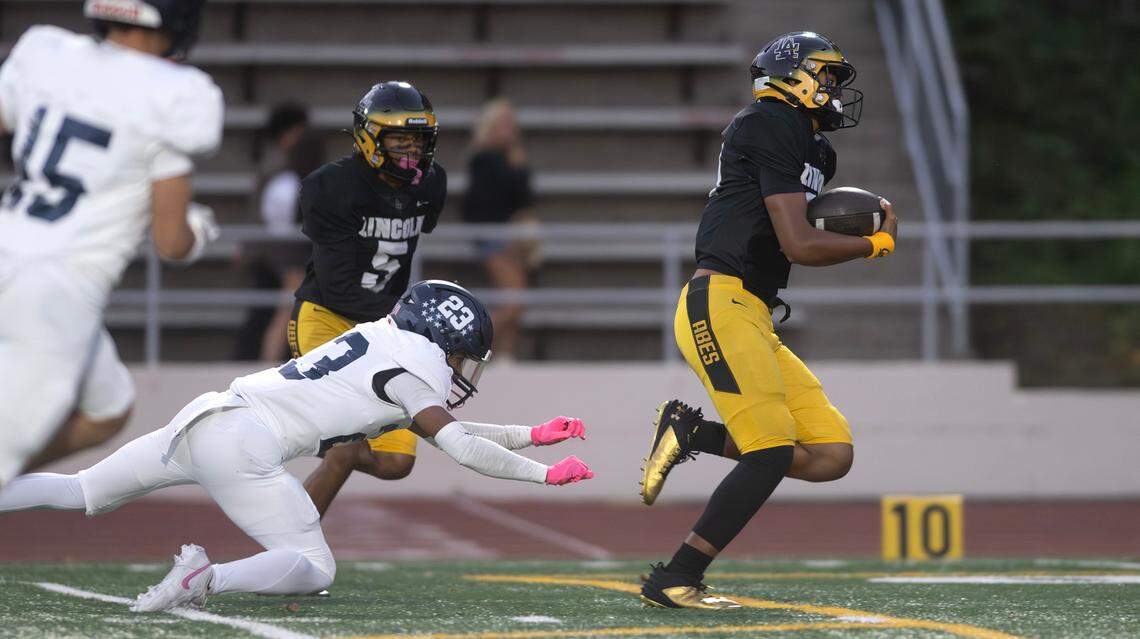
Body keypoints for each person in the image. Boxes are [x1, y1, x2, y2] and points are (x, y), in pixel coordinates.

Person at [0, 280, 594, 612]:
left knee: (80, 489)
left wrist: (533, 436)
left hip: (207, 415)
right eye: (463, 355)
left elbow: (443, 432)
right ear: (440, 341)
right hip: (245, 446)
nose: (464, 369)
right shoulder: (413, 375)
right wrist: (543, 475)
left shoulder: (378, 343)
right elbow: (459, 446)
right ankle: (203, 579)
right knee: (314, 567)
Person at [637, 31, 899, 609]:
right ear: (794, 75)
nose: (832, 89)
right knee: (773, 452)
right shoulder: (768, 122)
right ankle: (675, 577)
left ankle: (691, 433)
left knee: (831, 454)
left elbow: (795, 236)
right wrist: (874, 244)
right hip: (719, 301)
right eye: (825, 76)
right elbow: (800, 244)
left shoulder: (813, 147)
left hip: (752, 311)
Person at [0, 0, 223, 487]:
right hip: (59, 289)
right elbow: (170, 241)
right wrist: (198, 230)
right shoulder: (180, 93)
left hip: (9, 242)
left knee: (109, 405)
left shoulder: (47, 50)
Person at [291, 81, 448, 517]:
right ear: (368, 135)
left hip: (382, 325)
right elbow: (341, 288)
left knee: (396, 462)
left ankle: (325, 474)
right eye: (398, 137)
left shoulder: (431, 184)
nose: (409, 150)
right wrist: (412, 325)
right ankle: (284, 540)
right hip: (327, 319)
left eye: (417, 139)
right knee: (345, 439)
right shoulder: (331, 187)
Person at [232, 103, 314, 362]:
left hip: (273, 250)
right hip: (277, 252)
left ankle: (259, 361)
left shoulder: (279, 165)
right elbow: (270, 213)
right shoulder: (281, 169)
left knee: (272, 312)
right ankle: (260, 362)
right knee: (274, 312)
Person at [461, 98, 536, 359]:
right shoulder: (484, 158)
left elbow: (525, 197)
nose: (507, 129)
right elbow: (484, 201)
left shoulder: (509, 157)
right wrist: (517, 169)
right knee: (515, 302)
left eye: (509, 124)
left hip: (510, 235)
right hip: (494, 237)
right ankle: (469, 341)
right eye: (501, 124)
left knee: (516, 300)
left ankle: (506, 355)